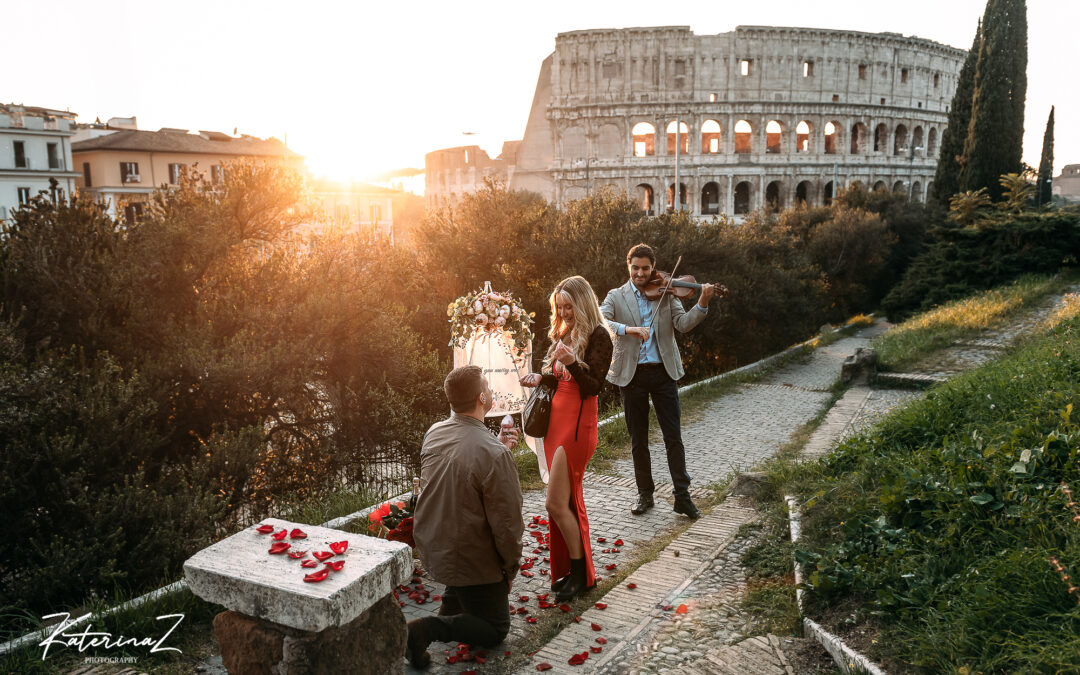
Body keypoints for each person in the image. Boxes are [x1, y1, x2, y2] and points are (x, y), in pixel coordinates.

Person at [407, 365, 523, 669]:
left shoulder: (435, 432)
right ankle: (427, 629)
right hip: (470, 555)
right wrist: (510, 568)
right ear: (482, 397)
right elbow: (508, 525)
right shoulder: (494, 454)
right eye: (487, 386)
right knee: (496, 628)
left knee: (465, 533)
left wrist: (498, 446)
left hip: (434, 543)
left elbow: (465, 462)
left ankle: (447, 609)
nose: (490, 390)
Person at [600, 244, 726, 519]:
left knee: (673, 437)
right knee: (638, 439)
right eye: (635, 268)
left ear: (653, 267)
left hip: (663, 373)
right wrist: (628, 329)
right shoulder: (616, 296)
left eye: (646, 268)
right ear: (628, 266)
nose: (641, 273)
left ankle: (682, 496)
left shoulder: (667, 293)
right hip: (631, 376)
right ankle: (645, 493)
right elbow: (601, 320)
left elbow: (682, 324)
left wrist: (702, 302)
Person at [520, 276, 613, 602]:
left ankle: (578, 573)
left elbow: (592, 386)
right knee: (564, 502)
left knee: (556, 502)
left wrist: (572, 362)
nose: (563, 312)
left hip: (577, 428)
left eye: (568, 306)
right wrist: (541, 377)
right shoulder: (565, 332)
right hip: (556, 424)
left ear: (583, 302)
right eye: (559, 307)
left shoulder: (600, 337)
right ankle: (578, 575)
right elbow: (560, 381)